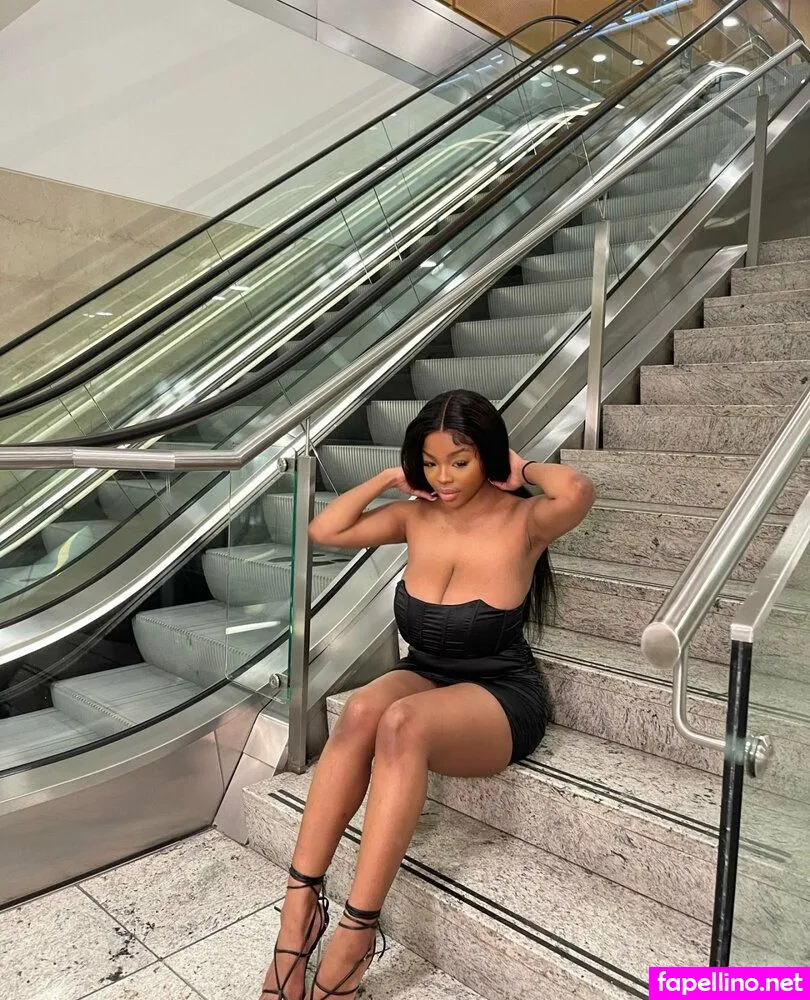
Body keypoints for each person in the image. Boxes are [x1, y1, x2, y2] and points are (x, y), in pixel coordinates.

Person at [261, 389, 595, 999]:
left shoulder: (524, 521)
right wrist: (391, 477)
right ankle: (298, 911)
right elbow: (326, 529)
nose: (443, 478)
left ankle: (356, 932)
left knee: (401, 723)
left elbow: (574, 489)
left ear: (487, 456)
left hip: (500, 692)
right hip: (427, 670)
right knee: (362, 709)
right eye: (431, 462)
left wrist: (519, 469)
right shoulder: (416, 515)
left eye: (460, 462)